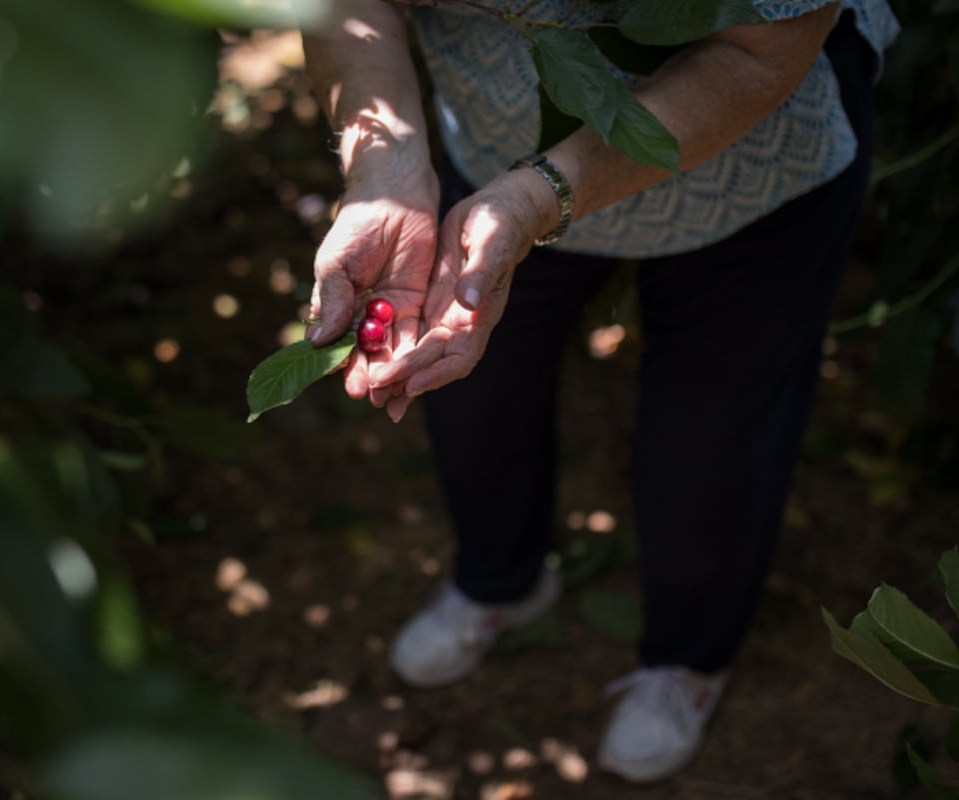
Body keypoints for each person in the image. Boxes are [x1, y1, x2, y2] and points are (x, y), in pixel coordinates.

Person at [299, 0, 899, 783]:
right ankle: (498, 581)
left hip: (760, 165)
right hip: (490, 146)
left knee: (713, 443)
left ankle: (688, 659)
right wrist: (383, 165)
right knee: (469, 390)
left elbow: (761, 49)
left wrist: (536, 197)